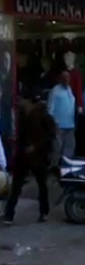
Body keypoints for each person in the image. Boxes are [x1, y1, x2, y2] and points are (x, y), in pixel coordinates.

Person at [4, 94, 55, 225]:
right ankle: (9, 214)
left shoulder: (42, 116)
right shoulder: (22, 116)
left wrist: (36, 146)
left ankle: (44, 211)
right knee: (17, 185)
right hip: (24, 155)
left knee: (41, 184)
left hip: (38, 155)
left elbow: (50, 135)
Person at [48, 70, 76, 161]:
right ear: (60, 78)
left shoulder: (70, 89)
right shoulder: (55, 91)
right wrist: (52, 123)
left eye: (68, 77)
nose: (66, 79)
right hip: (58, 125)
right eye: (64, 77)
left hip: (70, 124)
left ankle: (66, 167)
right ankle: (55, 168)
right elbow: (50, 109)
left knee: (69, 148)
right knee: (56, 148)